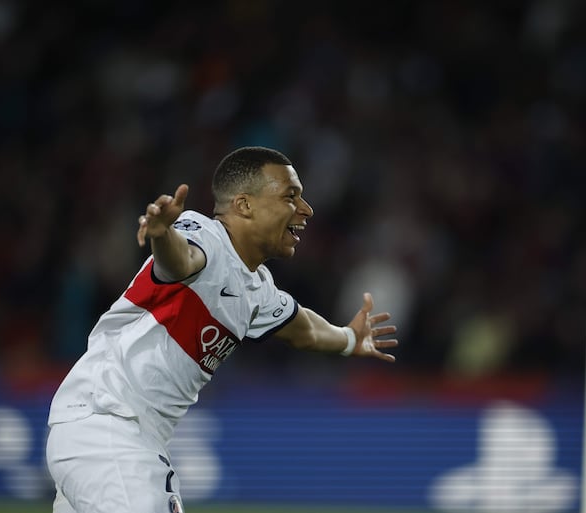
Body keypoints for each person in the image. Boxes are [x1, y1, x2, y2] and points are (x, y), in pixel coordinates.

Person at [45, 146, 398, 513]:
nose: (305, 209)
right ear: (244, 205)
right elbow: (181, 259)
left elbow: (303, 329)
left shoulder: (256, 288)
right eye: (290, 197)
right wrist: (163, 233)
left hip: (116, 433)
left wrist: (349, 339)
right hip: (109, 424)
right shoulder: (205, 236)